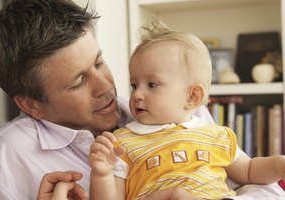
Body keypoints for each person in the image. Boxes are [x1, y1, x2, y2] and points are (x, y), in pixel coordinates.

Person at [0, 0, 283, 199]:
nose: (106, 87)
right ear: (30, 104)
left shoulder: (170, 109)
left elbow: (266, 190)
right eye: (78, 81)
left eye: (99, 62)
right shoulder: (4, 160)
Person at [89, 21, 285, 200]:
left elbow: (249, 170)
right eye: (134, 84)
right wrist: (102, 173)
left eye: (152, 84)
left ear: (192, 96)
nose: (137, 94)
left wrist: (277, 165)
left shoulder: (214, 134)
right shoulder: (122, 143)